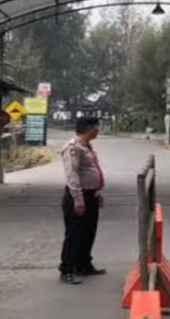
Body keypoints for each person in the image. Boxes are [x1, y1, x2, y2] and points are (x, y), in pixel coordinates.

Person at [58, 116, 106, 285]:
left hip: (90, 195)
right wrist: (78, 199)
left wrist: (98, 192)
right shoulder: (73, 147)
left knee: (88, 232)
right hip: (77, 196)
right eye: (96, 126)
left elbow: (92, 171)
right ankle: (68, 269)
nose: (98, 129)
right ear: (87, 128)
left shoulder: (87, 146)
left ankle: (84, 264)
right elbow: (72, 175)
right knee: (75, 233)